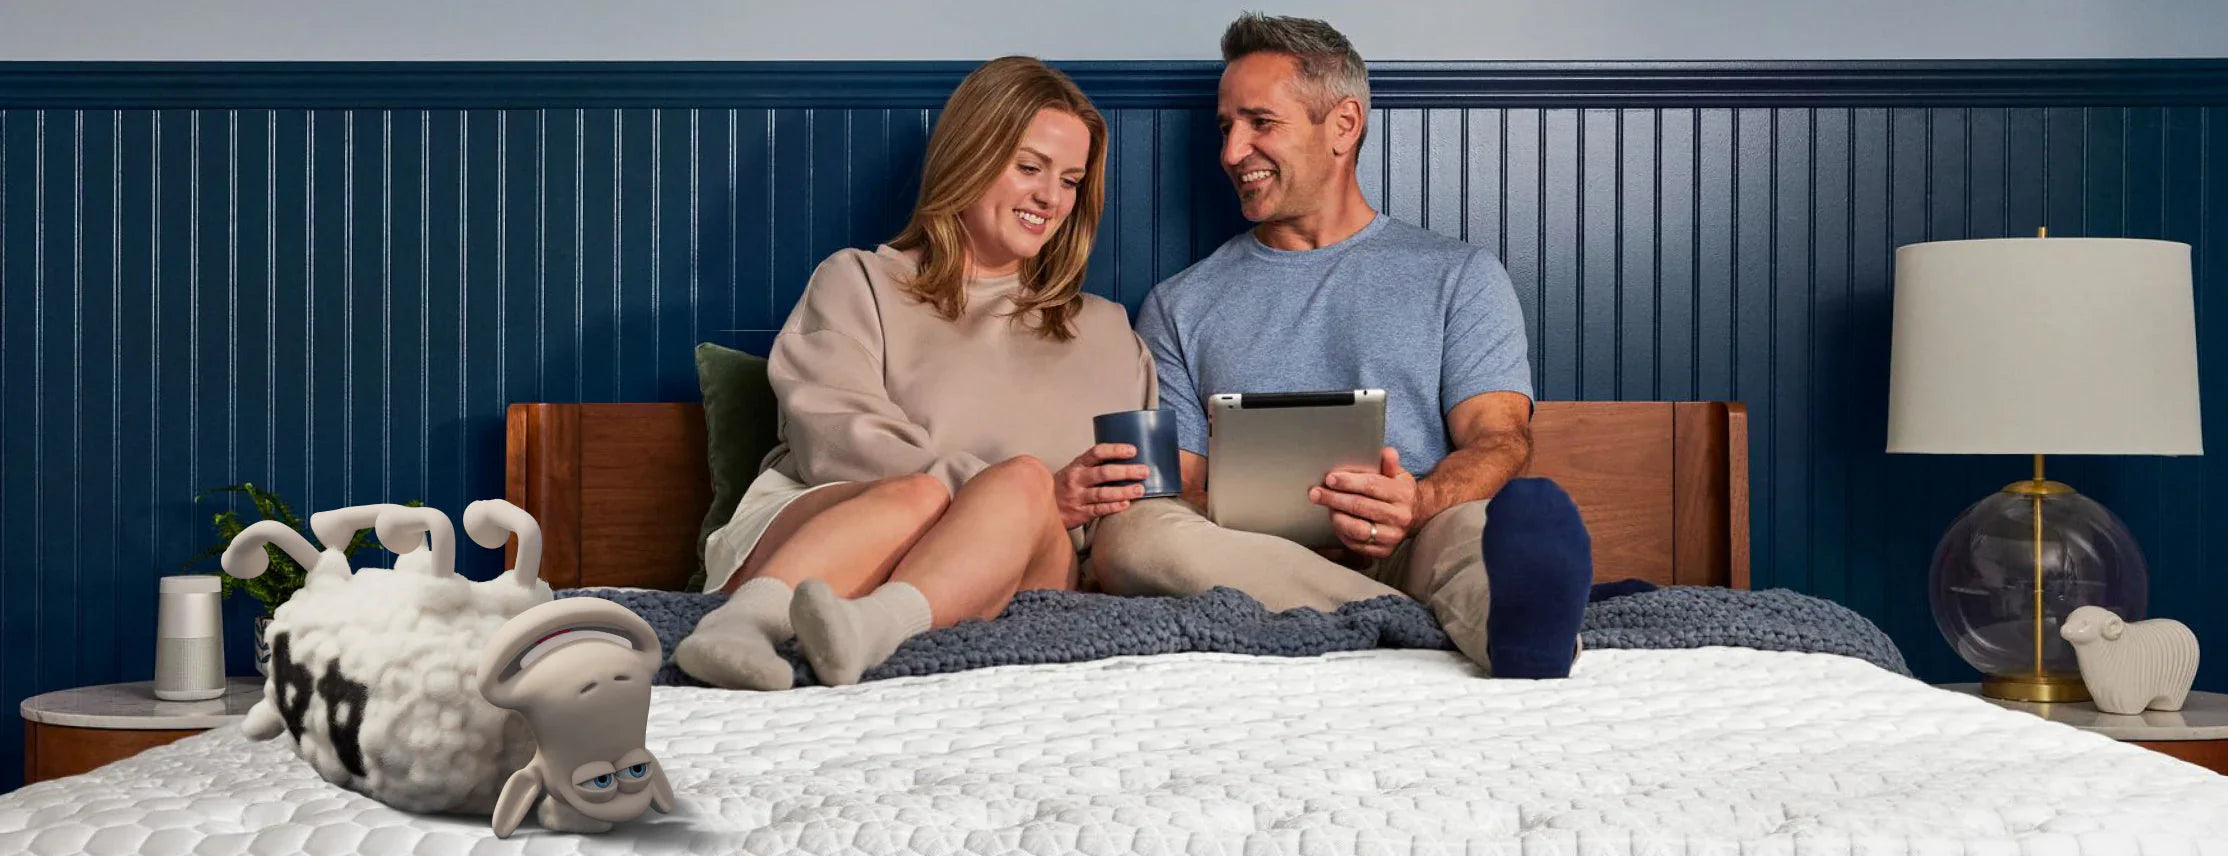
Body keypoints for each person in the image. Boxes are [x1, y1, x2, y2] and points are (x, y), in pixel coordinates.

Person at [1089, 14, 1594, 678]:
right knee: (1133, 536)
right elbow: (1180, 483)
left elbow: (1500, 440)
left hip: (1414, 534)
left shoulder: (1458, 275)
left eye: (1260, 123)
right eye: (1225, 127)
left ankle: (1519, 628)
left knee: (1476, 532)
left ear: (1344, 125)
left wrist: (1418, 503)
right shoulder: (1179, 303)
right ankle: (1421, 622)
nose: (1231, 151)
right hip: (1251, 555)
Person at [675, 56, 1158, 690]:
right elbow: (837, 443)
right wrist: (1002, 489)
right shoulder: (859, 282)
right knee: (929, 490)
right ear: (970, 158)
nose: (1051, 197)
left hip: (1014, 567)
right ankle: (741, 626)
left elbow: (1143, 499)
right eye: (1029, 167)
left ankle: (869, 629)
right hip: (834, 532)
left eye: (1070, 180)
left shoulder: (1108, 331)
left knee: (1022, 485)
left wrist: (1056, 503)